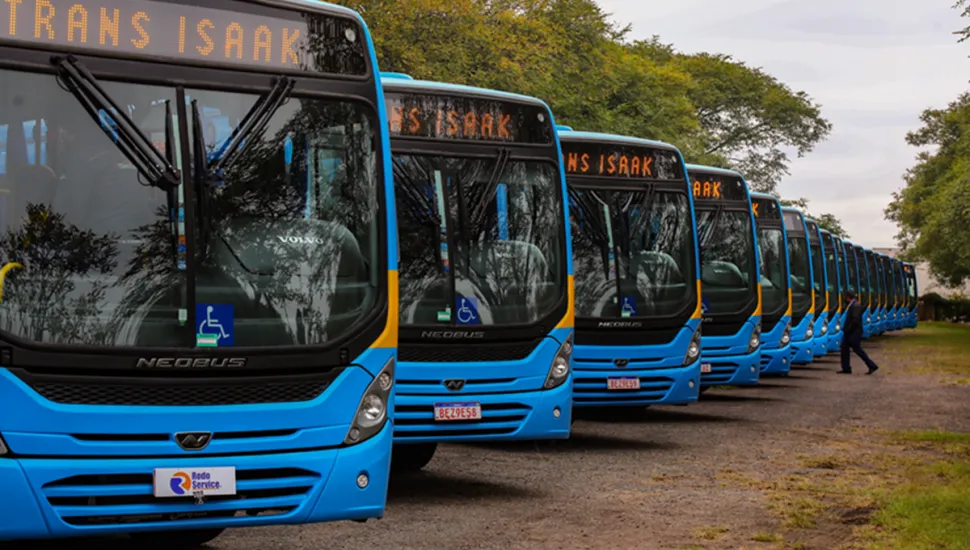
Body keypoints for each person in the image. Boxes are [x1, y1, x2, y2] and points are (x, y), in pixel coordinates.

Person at [839, 290, 879, 375]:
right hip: (850, 332)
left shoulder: (855, 306)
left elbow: (855, 320)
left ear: (848, 297)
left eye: (845, 297)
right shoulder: (853, 305)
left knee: (857, 349)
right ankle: (846, 368)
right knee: (844, 349)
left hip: (854, 332)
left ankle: (872, 365)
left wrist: (848, 329)